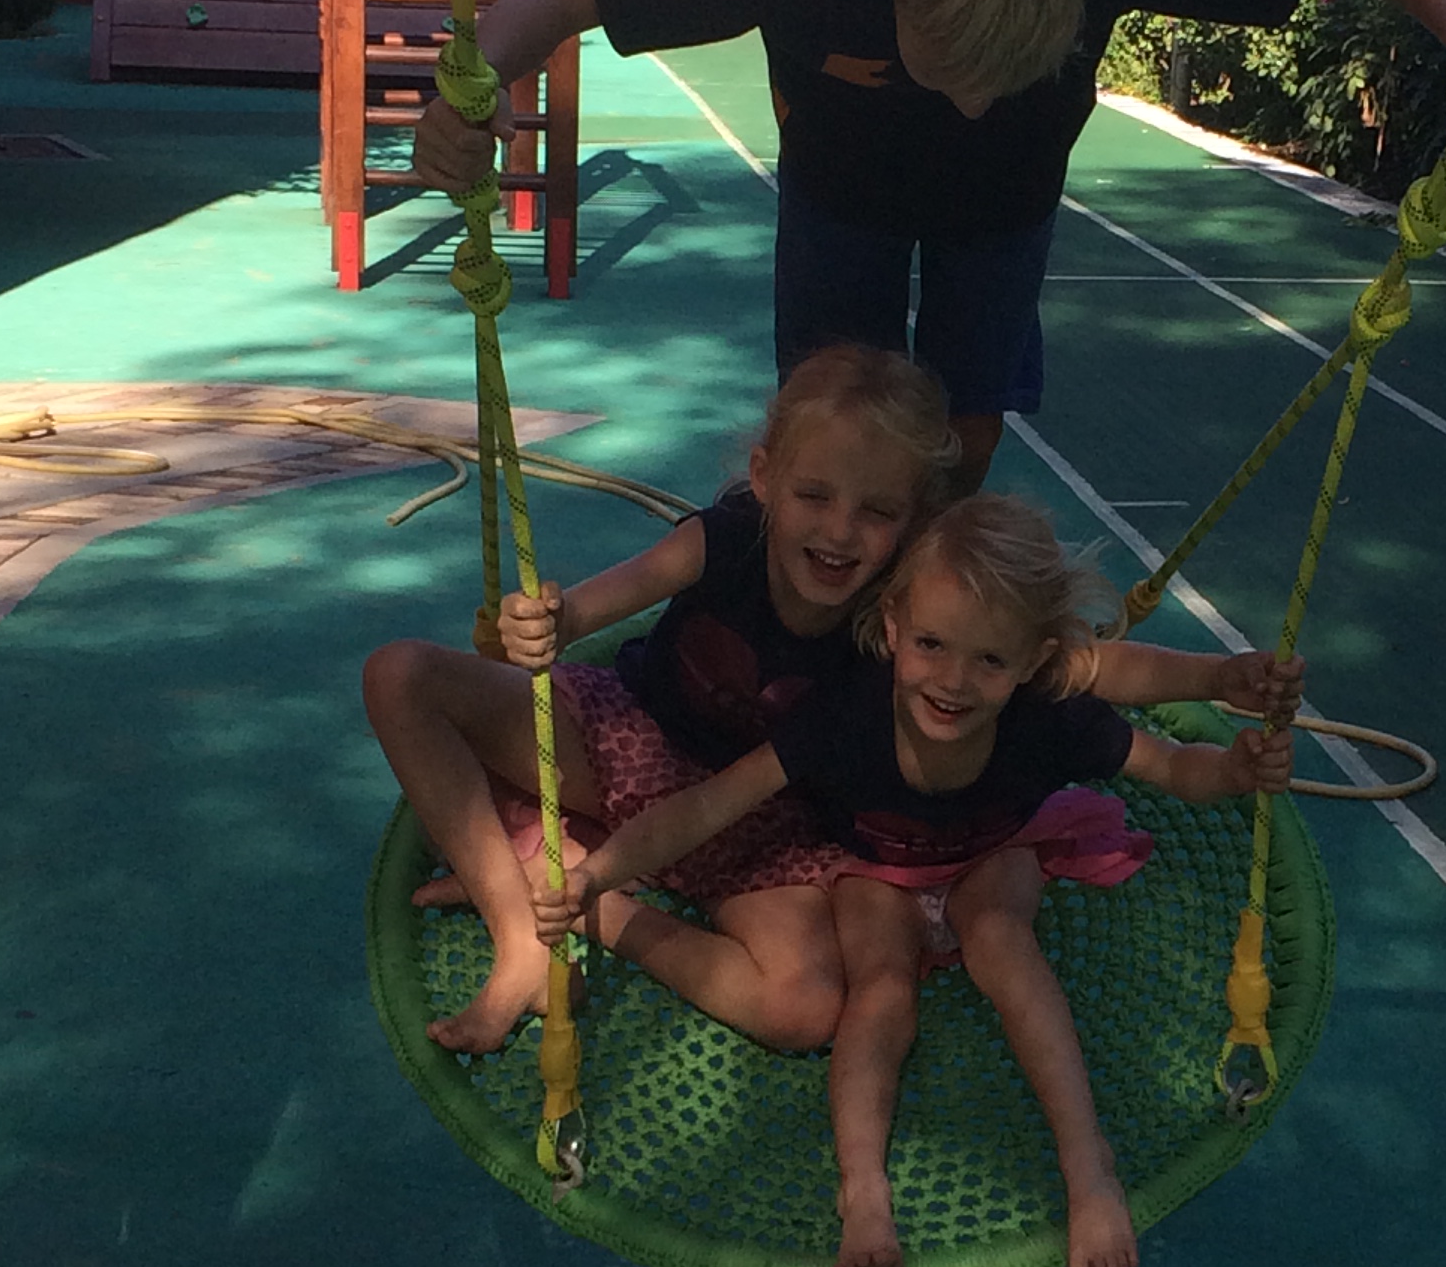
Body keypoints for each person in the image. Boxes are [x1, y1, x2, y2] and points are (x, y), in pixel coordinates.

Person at [412, 0, 1446, 491]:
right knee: (826, 423)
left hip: (1006, 204)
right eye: (945, 67)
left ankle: (923, 619)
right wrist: (469, 92)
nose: (968, 103)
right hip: (842, 186)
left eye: (1005, 73)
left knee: (963, 432)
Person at [364, 345, 1297, 1060]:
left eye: (877, 512)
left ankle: (596, 909)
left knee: (805, 1010)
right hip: (623, 742)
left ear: (914, 522)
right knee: (401, 674)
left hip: (772, 820)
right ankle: (516, 932)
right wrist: (545, 621)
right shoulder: (724, 537)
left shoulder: (910, 608)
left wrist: (1214, 678)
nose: (840, 532)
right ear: (765, 477)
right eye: (813, 494)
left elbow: (1085, 667)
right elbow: (589, 608)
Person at [533, 492, 1292, 1267]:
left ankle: (1087, 1165)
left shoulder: (1049, 719)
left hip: (994, 850)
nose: (954, 681)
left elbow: (1170, 766)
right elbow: (707, 807)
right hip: (875, 867)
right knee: (881, 990)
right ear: (893, 627)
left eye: (990, 661)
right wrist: (597, 874)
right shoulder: (847, 717)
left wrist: (1233, 770)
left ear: (1033, 662)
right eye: (931, 644)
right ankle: (864, 1191)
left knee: (1002, 943)